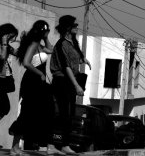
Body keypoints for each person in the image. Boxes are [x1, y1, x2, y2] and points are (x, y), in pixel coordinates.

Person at [9, 20, 64, 155]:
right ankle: (14, 147)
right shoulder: (33, 44)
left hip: (39, 83)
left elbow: (51, 49)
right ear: (42, 30)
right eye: (47, 31)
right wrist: (40, 73)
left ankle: (50, 145)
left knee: (49, 111)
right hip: (32, 82)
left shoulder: (40, 45)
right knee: (27, 113)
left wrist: (46, 38)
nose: (48, 33)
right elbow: (27, 62)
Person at [50, 15, 91, 154]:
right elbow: (66, 67)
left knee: (70, 113)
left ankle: (64, 145)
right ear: (68, 27)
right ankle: (55, 144)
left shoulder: (72, 42)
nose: (77, 27)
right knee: (63, 113)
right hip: (62, 81)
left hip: (70, 81)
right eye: (74, 25)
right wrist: (77, 86)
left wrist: (84, 60)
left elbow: (74, 60)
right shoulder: (61, 44)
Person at [0, 23, 18, 119]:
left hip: (2, 79)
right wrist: (4, 41)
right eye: (11, 36)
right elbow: (2, 57)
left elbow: (18, 53)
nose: (13, 39)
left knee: (4, 108)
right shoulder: (3, 45)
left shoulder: (7, 46)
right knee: (4, 107)